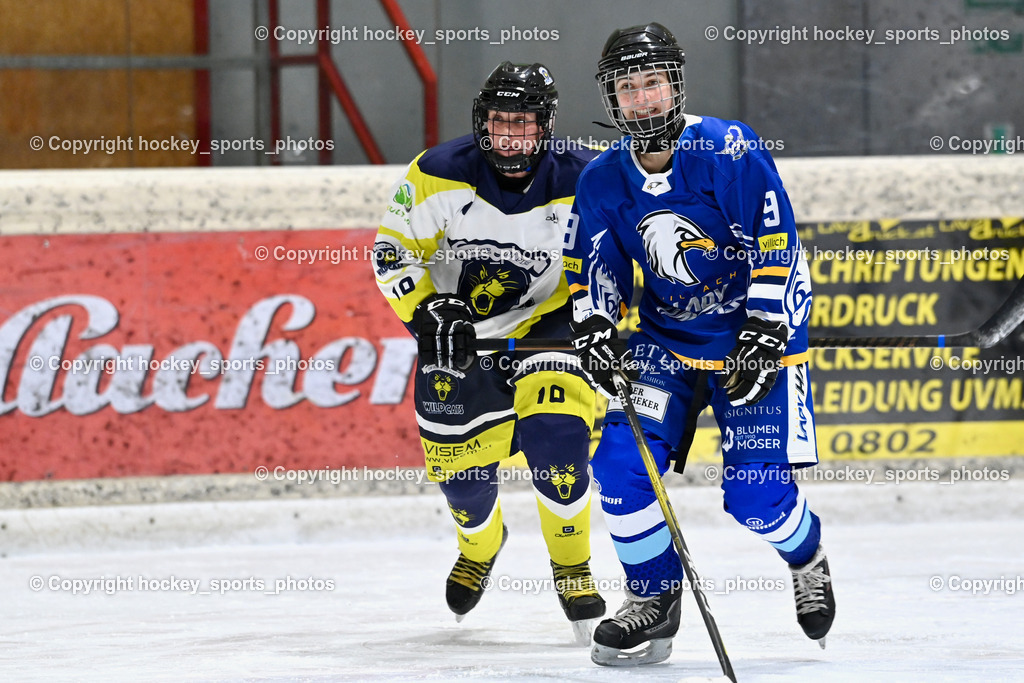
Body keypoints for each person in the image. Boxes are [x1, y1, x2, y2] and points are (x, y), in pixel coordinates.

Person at [565, 23, 836, 666]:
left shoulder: (730, 152)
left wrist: (765, 332)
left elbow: (777, 246)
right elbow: (593, 269)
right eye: (628, 88)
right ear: (613, 100)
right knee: (619, 470)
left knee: (755, 499)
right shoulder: (603, 180)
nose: (643, 99)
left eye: (652, 83)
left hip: (753, 341)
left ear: (675, 85)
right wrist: (597, 326)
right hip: (669, 344)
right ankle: (653, 599)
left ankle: (807, 555)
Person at [373, 61, 605, 643]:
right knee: (464, 479)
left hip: (547, 330)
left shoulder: (588, 177)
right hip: (461, 336)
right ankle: (480, 544)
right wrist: (427, 312)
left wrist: (597, 312)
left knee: (559, 444)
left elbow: (611, 260)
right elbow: (392, 254)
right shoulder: (437, 172)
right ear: (482, 123)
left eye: (523, 126)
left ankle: (572, 563)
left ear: (545, 127)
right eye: (500, 124)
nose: (509, 138)